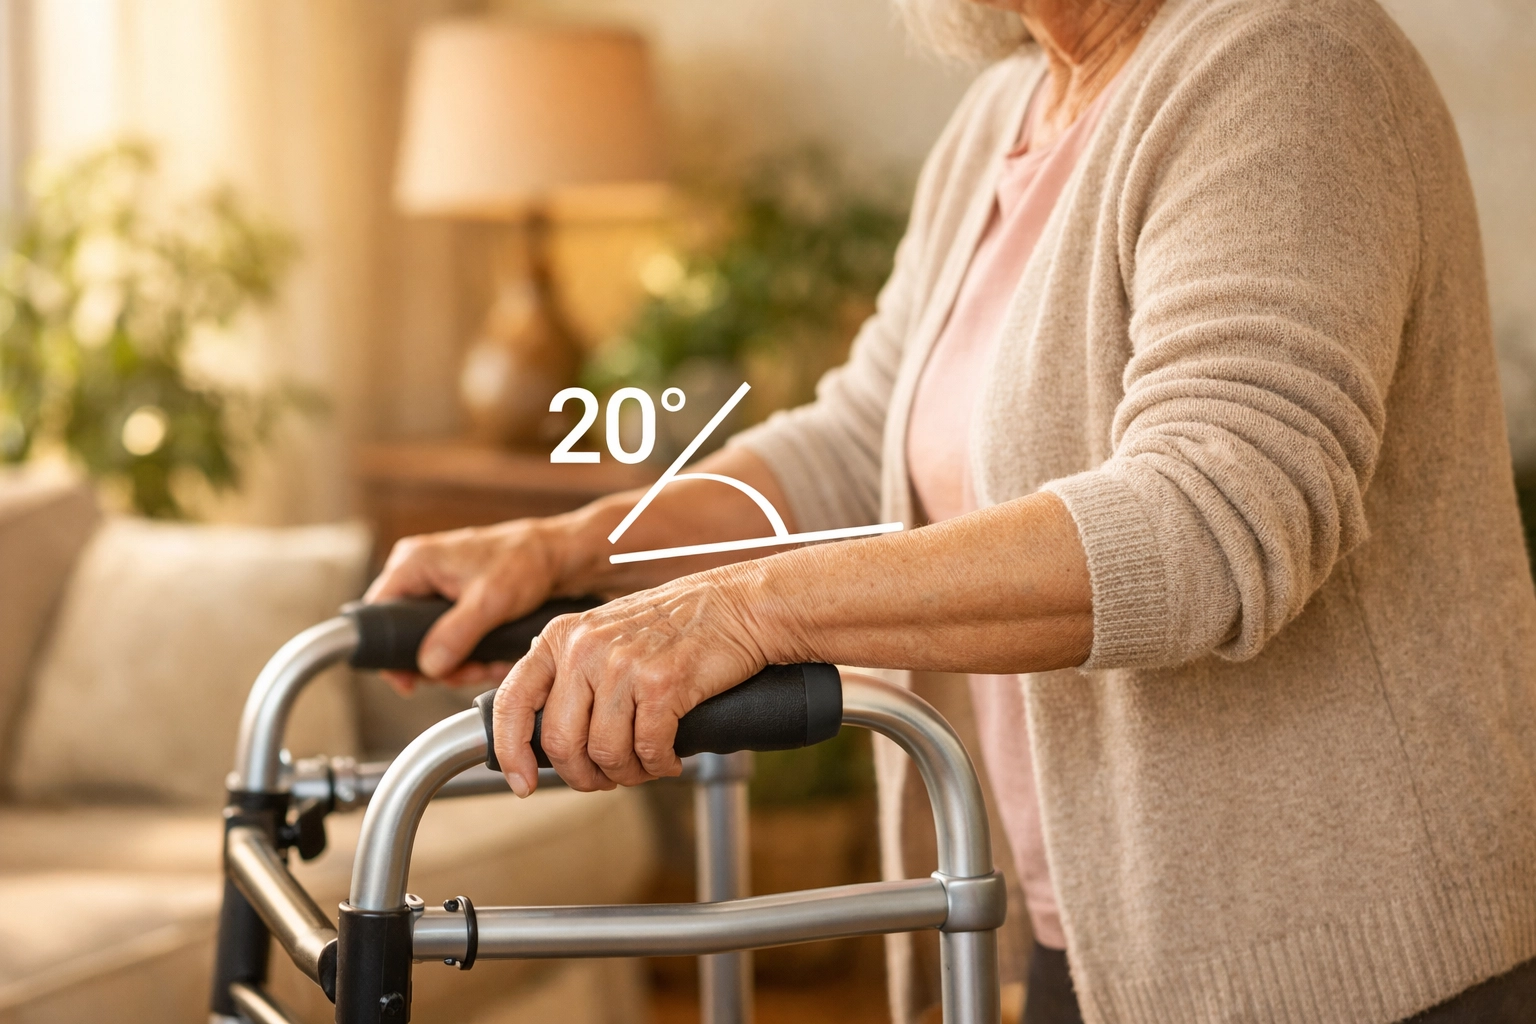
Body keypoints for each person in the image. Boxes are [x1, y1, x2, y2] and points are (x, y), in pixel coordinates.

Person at [366, 0, 1536, 1020]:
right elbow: (860, 437)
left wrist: (751, 611)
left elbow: (1211, 519)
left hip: (1345, 944)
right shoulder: (1004, 114)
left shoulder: (1289, 61)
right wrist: (572, 544)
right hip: (1088, 924)